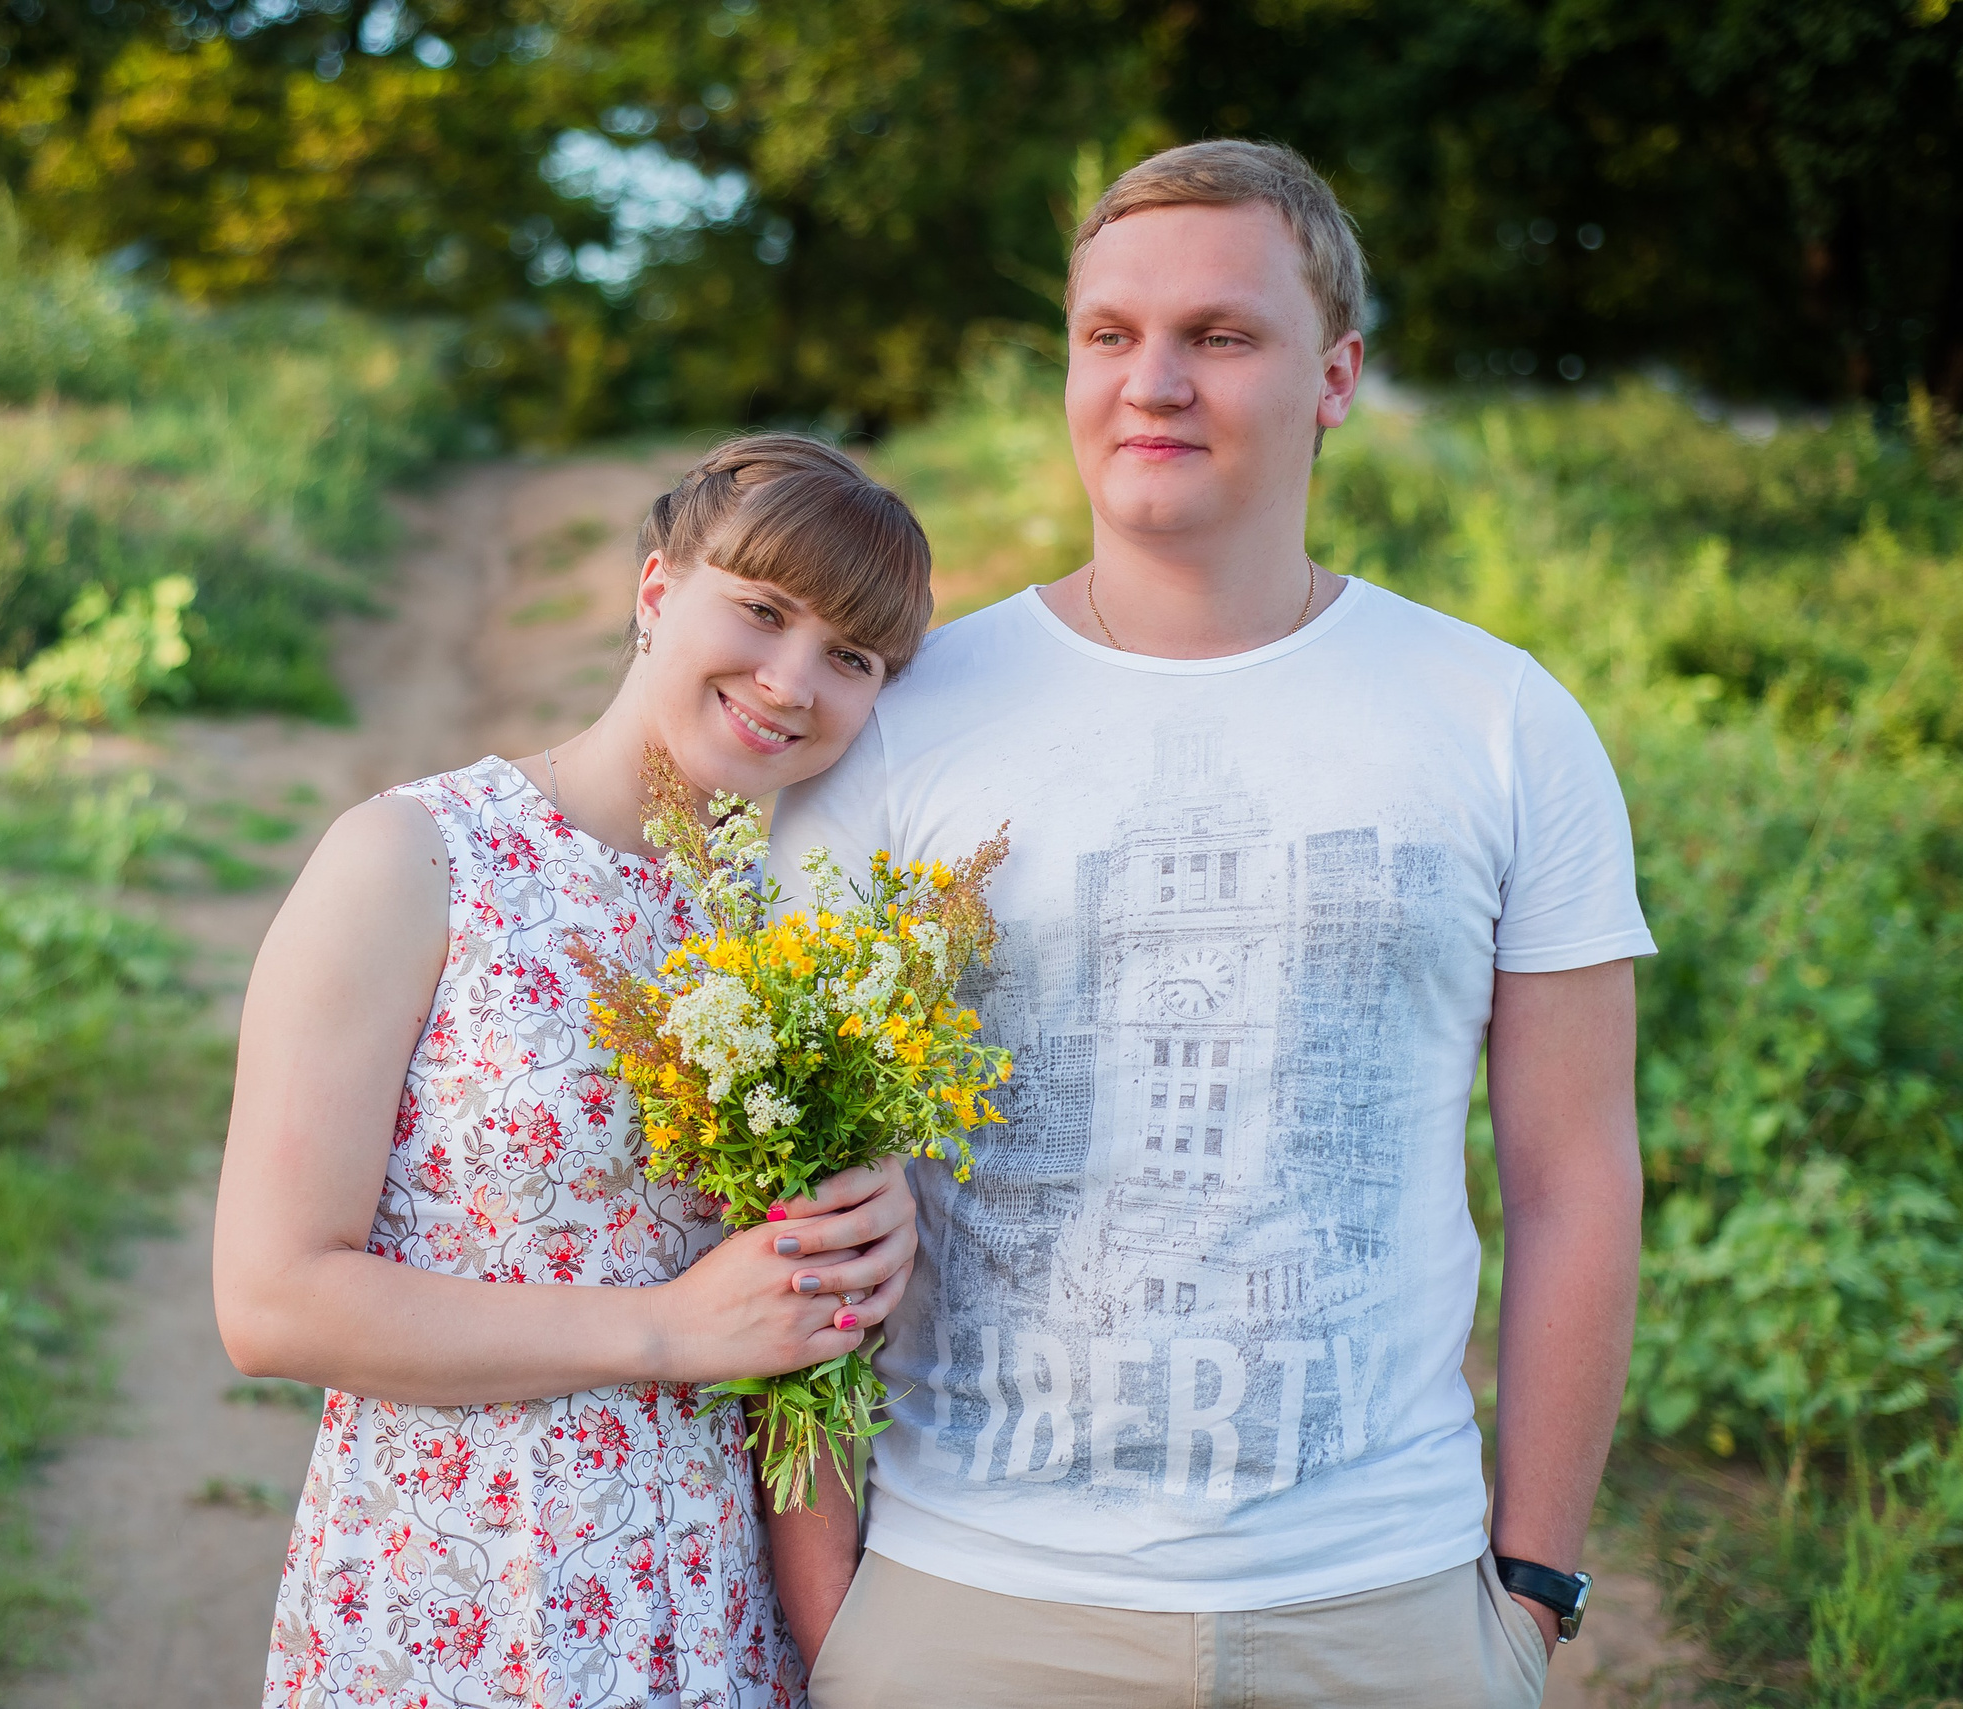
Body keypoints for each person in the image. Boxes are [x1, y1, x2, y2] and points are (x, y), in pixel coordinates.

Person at [771, 140, 1654, 1707]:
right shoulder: (902, 717)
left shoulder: (1503, 720)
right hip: (973, 1597)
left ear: (1338, 377)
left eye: (1221, 337)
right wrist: (832, 1609)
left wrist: (1529, 1595)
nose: (1153, 381)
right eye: (1109, 335)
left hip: (1380, 1605)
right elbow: (797, 1180)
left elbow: (1575, 1175)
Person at [215, 434, 941, 1709]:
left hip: (712, 1624)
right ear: (657, 590)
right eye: (763, 611)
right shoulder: (416, 858)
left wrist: (876, 1227)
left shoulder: (803, 940)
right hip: (455, 1600)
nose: (790, 680)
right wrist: (665, 1329)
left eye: (852, 656)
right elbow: (272, 1298)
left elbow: (803, 1347)